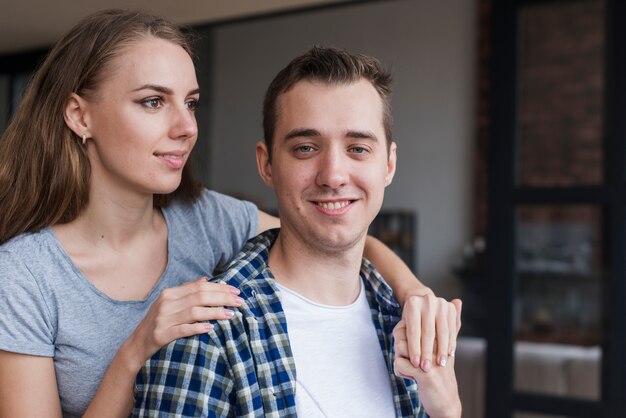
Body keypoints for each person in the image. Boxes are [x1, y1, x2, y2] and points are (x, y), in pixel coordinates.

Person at [0, 9, 458, 418]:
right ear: (80, 116)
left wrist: (413, 292)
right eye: (153, 102)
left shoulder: (208, 220)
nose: (185, 128)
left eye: (191, 103)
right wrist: (135, 350)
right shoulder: (25, 275)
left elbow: (334, 232)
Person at [133, 46, 462, 418]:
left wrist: (447, 409)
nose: (334, 175)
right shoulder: (208, 335)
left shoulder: (404, 319)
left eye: (357, 148)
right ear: (267, 164)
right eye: (306, 148)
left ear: (388, 164)